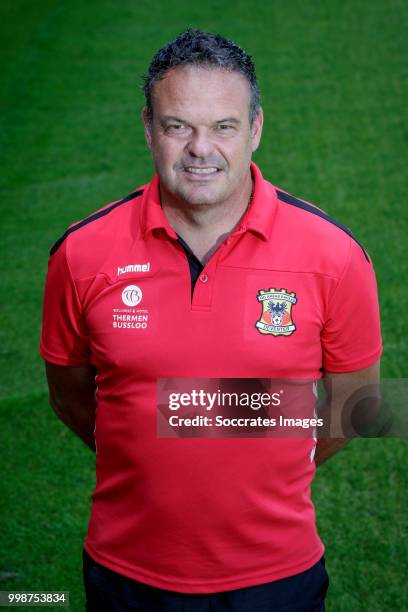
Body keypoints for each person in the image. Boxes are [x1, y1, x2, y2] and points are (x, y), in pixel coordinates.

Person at [40, 29, 382, 611]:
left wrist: (224, 427)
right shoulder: (80, 253)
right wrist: (146, 435)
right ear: (149, 128)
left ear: (255, 129)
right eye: (178, 127)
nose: (201, 149)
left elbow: (358, 404)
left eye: (223, 126)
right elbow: (71, 396)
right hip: (126, 575)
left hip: (278, 578)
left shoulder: (335, 256)